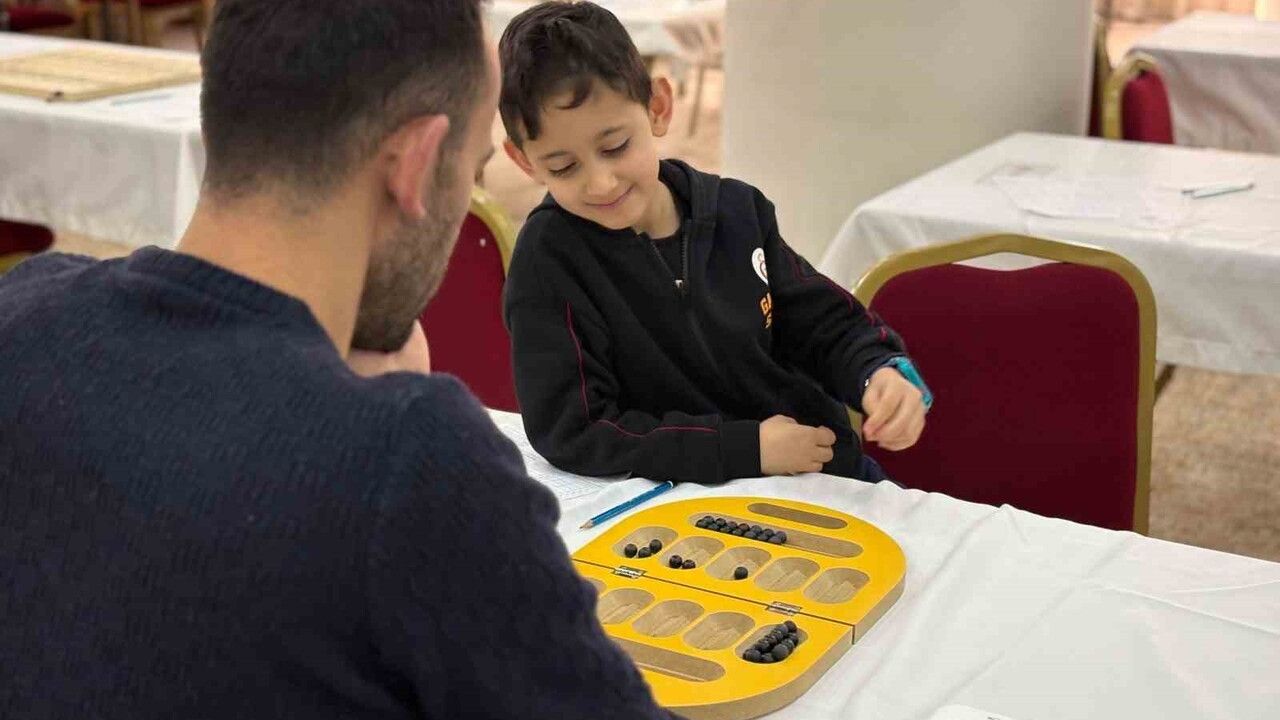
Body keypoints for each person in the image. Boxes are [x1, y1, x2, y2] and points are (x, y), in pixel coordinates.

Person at [0, 1, 677, 717]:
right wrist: (399, 430)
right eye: (471, 169)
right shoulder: (411, 457)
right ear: (415, 167)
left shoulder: (23, 313)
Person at [500, 1, 930, 484]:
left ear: (657, 108)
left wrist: (879, 372)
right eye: (563, 167)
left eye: (615, 146)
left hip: (816, 472)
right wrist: (744, 449)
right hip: (681, 496)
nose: (601, 183)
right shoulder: (548, 260)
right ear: (524, 161)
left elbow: (822, 322)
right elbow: (572, 429)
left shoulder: (738, 211)